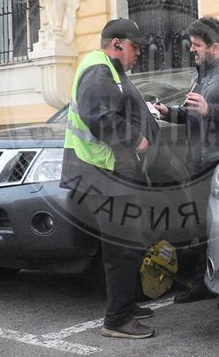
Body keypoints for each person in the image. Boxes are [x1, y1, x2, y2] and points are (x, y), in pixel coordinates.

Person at [60, 18, 158, 339]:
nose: (138, 54)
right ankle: (117, 320)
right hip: (102, 173)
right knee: (121, 248)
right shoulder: (99, 69)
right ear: (116, 44)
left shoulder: (110, 72)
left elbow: (115, 107)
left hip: (107, 172)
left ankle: (124, 304)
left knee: (126, 244)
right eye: (135, 47)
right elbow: (98, 116)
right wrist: (135, 139)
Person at [153, 17, 219, 309]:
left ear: (215, 46)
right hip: (197, 161)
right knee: (200, 226)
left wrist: (210, 108)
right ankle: (204, 283)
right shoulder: (200, 73)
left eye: (197, 46)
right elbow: (193, 114)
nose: (192, 51)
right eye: (191, 45)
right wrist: (168, 113)